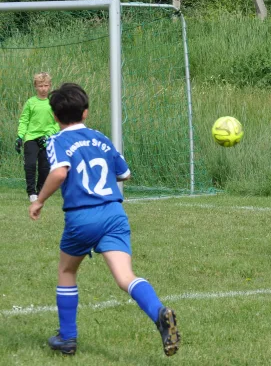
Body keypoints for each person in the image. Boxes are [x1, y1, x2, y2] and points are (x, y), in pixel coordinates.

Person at [28, 83, 180, 356]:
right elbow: (125, 174)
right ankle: (159, 311)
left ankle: (68, 338)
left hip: (82, 216)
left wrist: (39, 200)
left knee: (67, 271)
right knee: (125, 277)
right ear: (85, 113)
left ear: (54, 116)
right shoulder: (101, 138)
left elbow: (60, 172)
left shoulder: (57, 141)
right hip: (113, 213)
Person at [16, 72, 59, 202]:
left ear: (50, 86)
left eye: (46, 85)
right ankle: (31, 192)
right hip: (31, 137)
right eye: (40, 86)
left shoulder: (53, 103)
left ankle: (40, 191)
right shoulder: (31, 102)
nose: (43, 89)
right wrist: (20, 136)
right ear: (35, 86)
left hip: (47, 138)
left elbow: (57, 122)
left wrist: (48, 135)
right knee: (30, 164)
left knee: (44, 166)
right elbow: (24, 120)